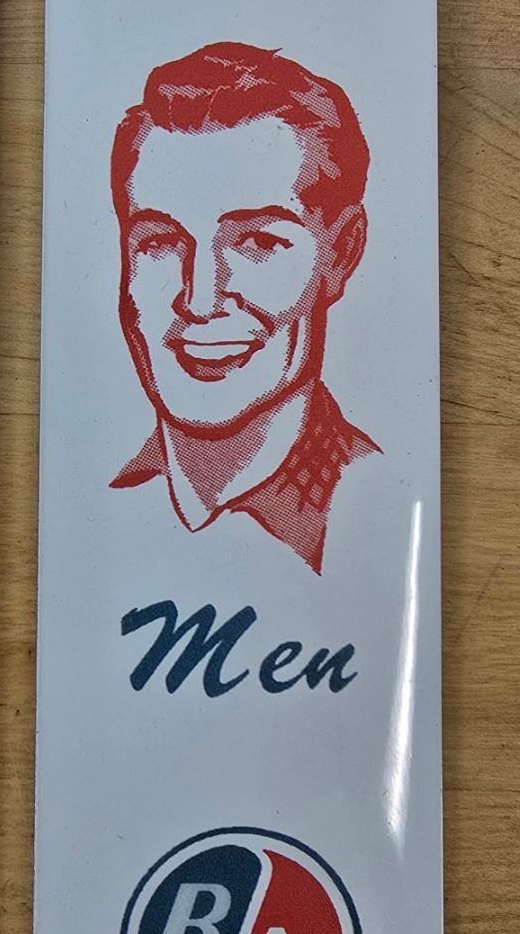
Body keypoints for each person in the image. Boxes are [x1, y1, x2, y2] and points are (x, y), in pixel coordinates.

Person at [109, 41, 378, 575]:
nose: (200, 301)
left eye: (258, 243)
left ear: (341, 254)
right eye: (160, 243)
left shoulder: (378, 510)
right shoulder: (98, 508)